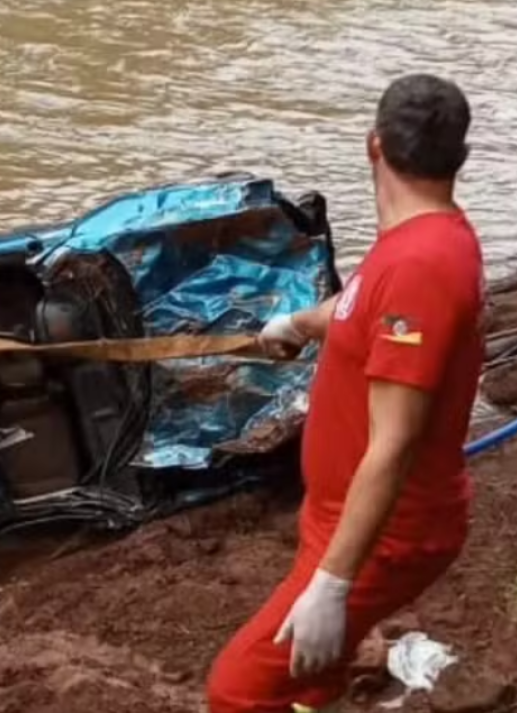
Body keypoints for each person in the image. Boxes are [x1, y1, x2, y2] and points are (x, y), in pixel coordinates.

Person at [206, 73, 485, 713]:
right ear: (458, 159)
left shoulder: (421, 265)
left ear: (373, 147)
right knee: (309, 677)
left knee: (238, 690)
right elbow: (364, 308)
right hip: (343, 518)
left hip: (385, 533)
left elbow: (395, 442)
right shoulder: (419, 241)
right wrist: (299, 324)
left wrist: (332, 585)